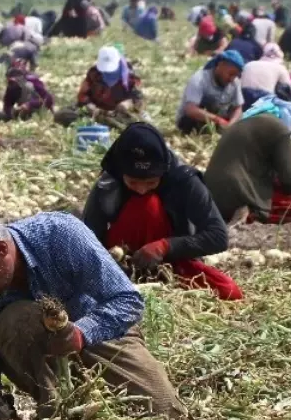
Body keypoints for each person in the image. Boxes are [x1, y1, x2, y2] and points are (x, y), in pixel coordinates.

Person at [0, 207, 182, 420]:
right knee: (16, 318)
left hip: (99, 332)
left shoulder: (60, 235)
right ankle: (55, 410)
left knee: (164, 410)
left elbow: (127, 300)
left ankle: (84, 400)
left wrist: (81, 333)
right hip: (33, 352)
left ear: (2, 249)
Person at [82, 123, 239, 300]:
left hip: (170, 263)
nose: (141, 189)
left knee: (229, 291)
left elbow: (218, 237)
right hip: (121, 262)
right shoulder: (108, 183)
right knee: (146, 205)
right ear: (121, 171)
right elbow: (88, 238)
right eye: (133, 182)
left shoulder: (183, 180)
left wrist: (164, 246)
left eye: (151, 182)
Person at [204, 106, 291, 225]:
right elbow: (288, 180)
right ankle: (252, 215)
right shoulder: (279, 129)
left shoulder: (242, 124)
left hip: (210, 197)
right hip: (238, 195)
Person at [56, 46, 144, 128]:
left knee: (139, 124)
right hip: (95, 112)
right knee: (62, 115)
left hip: (118, 114)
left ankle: (109, 124)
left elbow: (138, 99)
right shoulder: (94, 73)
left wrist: (127, 104)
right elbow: (83, 95)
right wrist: (89, 105)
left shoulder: (131, 78)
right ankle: (100, 123)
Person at [177, 50, 245, 135]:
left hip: (218, 122)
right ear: (220, 65)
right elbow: (191, 110)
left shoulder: (235, 82)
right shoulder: (200, 79)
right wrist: (217, 120)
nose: (232, 79)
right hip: (195, 122)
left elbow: (238, 108)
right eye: (230, 74)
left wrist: (231, 125)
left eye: (235, 75)